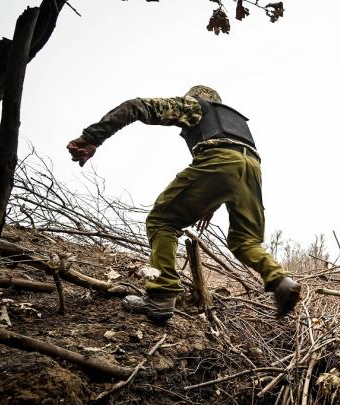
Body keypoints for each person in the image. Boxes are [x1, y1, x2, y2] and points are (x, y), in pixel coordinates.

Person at [66, 85, 300, 322]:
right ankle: (280, 280)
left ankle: (161, 296)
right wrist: (210, 203)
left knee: (162, 222)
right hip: (252, 168)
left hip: (220, 161)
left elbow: (135, 107)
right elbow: (235, 163)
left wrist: (91, 138)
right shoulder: (235, 122)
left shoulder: (196, 106)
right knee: (246, 241)